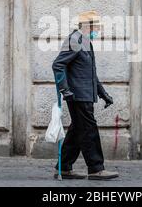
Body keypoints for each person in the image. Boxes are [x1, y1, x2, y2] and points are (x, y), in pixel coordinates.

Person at [52, 11, 119, 180]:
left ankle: (64, 167)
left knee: (77, 131)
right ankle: (96, 169)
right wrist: (65, 89)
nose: (99, 29)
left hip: (85, 94)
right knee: (89, 130)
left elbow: (90, 73)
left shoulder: (85, 42)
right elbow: (58, 65)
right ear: (88, 25)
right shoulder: (74, 41)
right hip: (77, 95)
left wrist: (103, 93)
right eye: (97, 26)